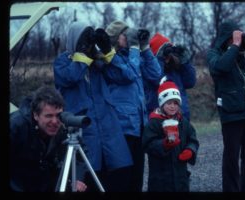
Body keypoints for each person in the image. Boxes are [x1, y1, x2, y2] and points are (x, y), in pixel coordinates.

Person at [53, 21, 133, 192]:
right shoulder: (62, 62)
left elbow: (124, 76)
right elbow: (71, 77)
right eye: (84, 39)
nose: (88, 45)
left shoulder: (97, 62)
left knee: (116, 177)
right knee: (86, 178)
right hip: (83, 128)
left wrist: (107, 51)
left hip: (108, 129)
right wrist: (82, 56)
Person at [93, 20, 161, 192]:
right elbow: (129, 74)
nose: (130, 37)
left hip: (138, 126)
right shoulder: (109, 60)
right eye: (127, 34)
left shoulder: (134, 57)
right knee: (122, 180)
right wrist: (134, 49)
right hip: (121, 128)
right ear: (116, 38)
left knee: (136, 180)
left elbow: (156, 74)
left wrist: (144, 47)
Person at [206, 21, 245, 192]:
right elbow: (222, 67)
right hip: (230, 114)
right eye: (234, 37)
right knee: (231, 159)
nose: (238, 40)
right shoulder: (213, 54)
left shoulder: (244, 53)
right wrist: (234, 46)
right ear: (226, 38)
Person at [10, 86, 87, 192]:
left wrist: (76, 178)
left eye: (58, 115)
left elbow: (79, 155)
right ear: (36, 115)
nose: (55, 121)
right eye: (49, 116)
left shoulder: (64, 125)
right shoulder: (16, 126)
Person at [142, 80, 199, 192]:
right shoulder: (154, 122)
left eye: (175, 103)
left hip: (181, 176)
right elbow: (147, 144)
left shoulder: (183, 121)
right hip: (160, 179)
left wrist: (190, 150)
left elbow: (193, 138)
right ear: (162, 104)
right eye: (169, 103)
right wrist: (164, 144)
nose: (173, 106)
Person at [147, 33, 197, 121]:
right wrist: (159, 59)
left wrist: (185, 62)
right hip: (159, 118)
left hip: (181, 116)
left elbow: (190, 82)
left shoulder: (177, 67)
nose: (168, 56)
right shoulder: (150, 69)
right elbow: (157, 80)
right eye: (164, 52)